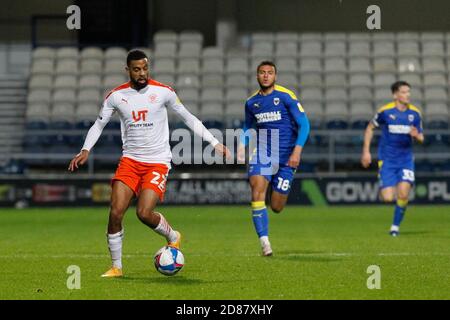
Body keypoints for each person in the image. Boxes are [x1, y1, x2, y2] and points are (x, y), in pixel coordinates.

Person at [68, 50, 230, 277]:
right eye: (137, 69)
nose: (142, 73)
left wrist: (214, 142)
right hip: (130, 162)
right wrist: (85, 149)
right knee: (115, 213)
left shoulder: (164, 92)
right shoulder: (116, 96)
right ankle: (117, 267)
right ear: (128, 70)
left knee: (144, 213)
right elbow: (98, 124)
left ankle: (173, 236)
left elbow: (189, 118)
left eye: (145, 68)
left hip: (157, 162)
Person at [237, 61, 310, 256]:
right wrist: (242, 144)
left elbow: (305, 125)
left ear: (275, 76)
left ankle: (271, 191)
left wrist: (297, 151)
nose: (266, 76)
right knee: (256, 190)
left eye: (270, 73)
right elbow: (247, 126)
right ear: (257, 76)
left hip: (287, 157)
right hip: (263, 153)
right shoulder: (252, 102)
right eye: (262, 72)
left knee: (277, 206)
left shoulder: (286, 97)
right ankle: (265, 243)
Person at [361, 81, 424, 236]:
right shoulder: (385, 112)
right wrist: (366, 151)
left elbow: (422, 137)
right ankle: (388, 185)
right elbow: (370, 128)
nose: (407, 95)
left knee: (403, 194)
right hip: (387, 159)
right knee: (388, 197)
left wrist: (417, 136)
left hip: (406, 159)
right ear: (395, 94)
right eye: (404, 92)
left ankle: (395, 227)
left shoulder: (415, 113)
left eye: (408, 92)